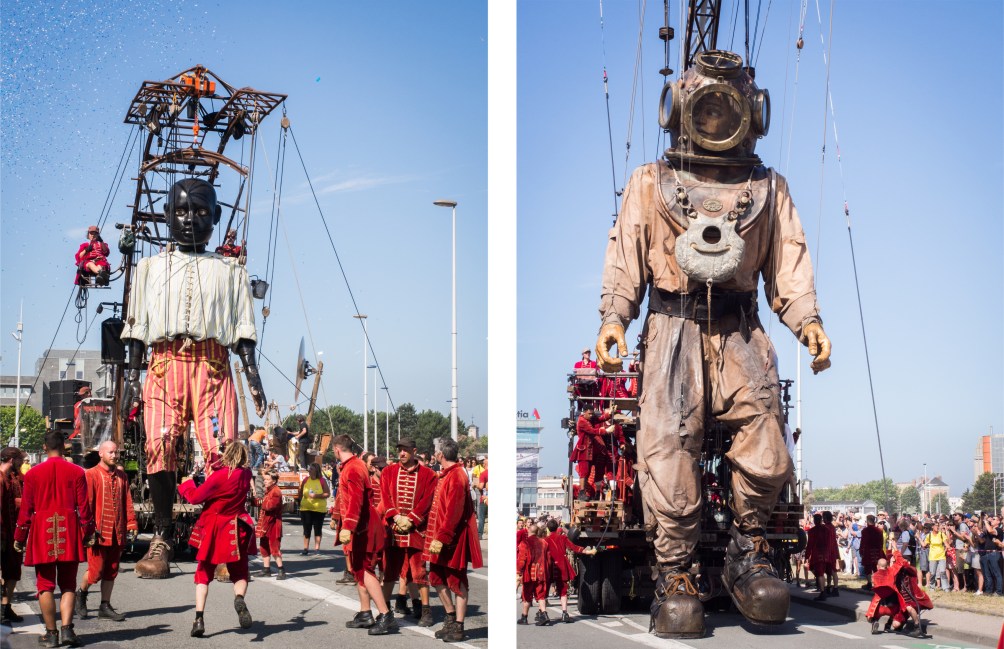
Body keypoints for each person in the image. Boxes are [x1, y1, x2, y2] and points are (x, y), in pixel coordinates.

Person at [595, 50, 831, 638]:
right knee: (668, 446)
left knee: (769, 441)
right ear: (679, 108)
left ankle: (746, 554)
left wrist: (808, 320)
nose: (718, 116)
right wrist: (615, 319)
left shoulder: (768, 189)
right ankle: (675, 575)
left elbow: (789, 261)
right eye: (707, 104)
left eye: (730, 106)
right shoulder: (650, 183)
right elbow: (626, 256)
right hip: (671, 326)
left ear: (752, 112)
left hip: (741, 326)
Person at [121, 178, 267, 579]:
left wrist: (253, 377)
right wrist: (132, 378)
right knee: (159, 445)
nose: (189, 219)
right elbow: (135, 326)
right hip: (164, 366)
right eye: (181, 211)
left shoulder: (232, 271)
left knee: (224, 452)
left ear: (216, 217)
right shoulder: (149, 267)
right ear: (166, 215)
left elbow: (242, 329)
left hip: (213, 367)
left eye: (201, 212)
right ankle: (163, 536)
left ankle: (221, 540)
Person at [13, 431, 95, 648]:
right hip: (68, 529)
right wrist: (88, 533)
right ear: (64, 446)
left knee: (45, 585)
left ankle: (51, 634)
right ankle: (67, 630)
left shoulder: (32, 474)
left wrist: (19, 536)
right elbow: (84, 508)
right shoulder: (77, 472)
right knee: (68, 584)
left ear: (44, 447)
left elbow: (26, 510)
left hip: (42, 531)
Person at [177, 442, 257, 637]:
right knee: (240, 573)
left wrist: (186, 484)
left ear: (227, 455)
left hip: (215, 529)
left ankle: (198, 619)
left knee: (203, 575)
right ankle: (239, 598)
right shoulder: (246, 475)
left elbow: (196, 497)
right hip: (236, 528)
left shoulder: (220, 477)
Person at [331, 435, 397, 635]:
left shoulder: (353, 467)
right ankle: (365, 612)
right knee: (359, 569)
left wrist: (348, 526)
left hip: (363, 527)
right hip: (361, 527)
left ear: (336, 449)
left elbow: (356, 501)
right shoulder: (353, 466)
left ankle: (386, 615)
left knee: (367, 570)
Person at [424, 438, 483, 643]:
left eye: (435, 451)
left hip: (452, 539)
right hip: (439, 537)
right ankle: (450, 617)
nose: (433, 454)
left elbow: (454, 511)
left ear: (440, 455)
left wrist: (442, 537)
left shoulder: (457, 475)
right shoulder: (446, 474)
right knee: (436, 578)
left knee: (456, 581)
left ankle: (458, 625)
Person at [74, 441, 137, 622]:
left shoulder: (122, 476)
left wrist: (131, 523)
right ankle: (82, 594)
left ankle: (105, 605)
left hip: (117, 532)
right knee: (96, 572)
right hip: (98, 533)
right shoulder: (91, 475)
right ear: (101, 454)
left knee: (111, 571)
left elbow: (127, 502)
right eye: (111, 452)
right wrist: (88, 530)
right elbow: (87, 505)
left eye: (116, 452)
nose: (114, 455)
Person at [379, 437, 437, 626]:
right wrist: (395, 517)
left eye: (405, 450)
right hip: (394, 529)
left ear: (414, 451)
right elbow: (385, 496)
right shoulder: (388, 471)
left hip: (416, 531)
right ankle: (384, 611)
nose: (402, 453)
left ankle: (426, 611)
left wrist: (411, 519)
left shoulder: (429, 475)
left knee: (419, 572)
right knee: (389, 571)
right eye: (399, 450)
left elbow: (427, 501)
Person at [866, 541, 932, 638]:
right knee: (900, 609)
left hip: (880, 606)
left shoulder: (874, 576)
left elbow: (892, 561)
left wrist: (890, 548)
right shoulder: (892, 571)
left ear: (877, 566)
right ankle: (895, 624)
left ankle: (876, 622)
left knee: (870, 616)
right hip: (893, 606)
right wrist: (895, 549)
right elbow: (899, 561)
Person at [544, 518, 595, 622]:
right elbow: (574, 547)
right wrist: (586, 551)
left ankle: (544, 613)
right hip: (562, 566)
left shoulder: (545, 540)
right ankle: (564, 613)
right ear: (557, 527)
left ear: (548, 528)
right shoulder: (562, 538)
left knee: (545, 590)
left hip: (549, 566)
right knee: (563, 591)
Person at [1, 447, 26, 626]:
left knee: (13, 571)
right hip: (2, 533)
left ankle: (5, 607)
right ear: (11, 459)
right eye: (20, 459)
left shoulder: (15, 477)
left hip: (12, 533)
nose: (22, 463)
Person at [571, 404, 614, 500]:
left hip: (590, 452)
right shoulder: (582, 421)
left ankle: (588, 493)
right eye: (589, 414)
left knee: (589, 472)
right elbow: (592, 431)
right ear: (584, 412)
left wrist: (609, 414)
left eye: (592, 414)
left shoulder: (589, 419)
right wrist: (606, 431)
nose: (591, 416)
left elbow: (599, 419)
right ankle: (582, 493)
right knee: (584, 473)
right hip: (583, 451)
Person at [517, 524, 550, 626]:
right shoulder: (544, 542)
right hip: (542, 572)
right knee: (540, 595)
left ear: (528, 531)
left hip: (529, 573)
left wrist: (519, 572)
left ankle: (524, 617)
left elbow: (522, 559)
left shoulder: (525, 543)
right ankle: (544, 614)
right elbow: (548, 559)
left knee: (526, 595)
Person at [255, 471, 286, 580]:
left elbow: (269, 506)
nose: (265, 481)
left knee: (274, 547)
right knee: (263, 546)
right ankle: (266, 569)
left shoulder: (276, 491)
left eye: (267, 480)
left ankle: (281, 570)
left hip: (273, 523)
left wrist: (260, 502)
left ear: (274, 480)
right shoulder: (269, 490)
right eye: (265, 479)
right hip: (266, 522)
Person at [297, 462, 330, 555]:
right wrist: (300, 502)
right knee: (306, 529)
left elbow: (327, 494)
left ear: (316, 470)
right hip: (306, 508)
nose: (309, 471)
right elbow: (300, 491)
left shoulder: (322, 481)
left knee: (317, 529)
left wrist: (316, 496)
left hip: (319, 509)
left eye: (311, 469)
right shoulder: (306, 480)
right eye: (309, 469)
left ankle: (317, 548)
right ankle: (305, 548)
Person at [860, 514, 886, 590]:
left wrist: (861, 550)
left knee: (868, 567)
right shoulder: (879, 530)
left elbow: (863, 542)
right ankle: (877, 583)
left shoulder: (865, 531)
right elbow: (881, 542)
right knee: (876, 567)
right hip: (877, 551)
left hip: (868, 551)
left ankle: (869, 583)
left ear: (868, 521)